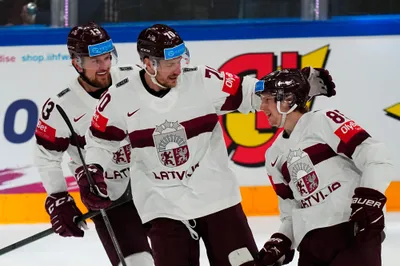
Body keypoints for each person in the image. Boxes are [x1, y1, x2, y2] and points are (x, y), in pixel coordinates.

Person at [74, 24, 336, 266]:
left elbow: (251, 92)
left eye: (180, 60)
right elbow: (99, 141)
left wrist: (297, 86)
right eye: (169, 63)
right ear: (147, 64)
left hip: (217, 197)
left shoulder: (201, 80)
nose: (178, 68)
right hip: (164, 205)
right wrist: (92, 172)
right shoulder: (120, 97)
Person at [33, 22, 154, 266]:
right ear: (77, 62)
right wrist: (59, 198)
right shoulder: (61, 106)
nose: (104, 66)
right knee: (138, 263)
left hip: (156, 185)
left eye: (107, 57)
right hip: (107, 193)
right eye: (94, 60)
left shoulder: (135, 78)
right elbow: (46, 155)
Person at [254, 69, 395, 266]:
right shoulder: (273, 156)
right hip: (311, 245)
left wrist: (370, 199)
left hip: (351, 229)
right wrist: (282, 240)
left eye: (267, 99)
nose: (261, 107)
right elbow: (290, 211)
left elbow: (375, 155)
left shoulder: (323, 120)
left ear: (288, 99)